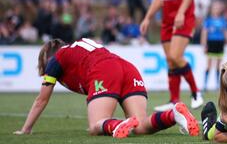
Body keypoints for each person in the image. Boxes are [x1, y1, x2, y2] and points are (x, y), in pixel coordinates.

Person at [13, 38, 199, 138]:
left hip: (104, 71)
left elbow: (41, 99)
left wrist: (26, 129)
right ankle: (173, 114)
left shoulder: (56, 59)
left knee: (96, 126)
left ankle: (117, 124)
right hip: (126, 67)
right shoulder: (75, 51)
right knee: (141, 126)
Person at [140, 0, 203, 111]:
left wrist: (182, 12)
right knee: (170, 61)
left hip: (183, 19)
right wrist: (147, 18)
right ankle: (174, 100)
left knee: (176, 56)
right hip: (167, 22)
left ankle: (196, 92)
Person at [201, 1, 227, 91]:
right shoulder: (208, 20)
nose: (216, 9)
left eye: (218, 7)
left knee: (219, 65)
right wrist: (204, 45)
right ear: (211, 9)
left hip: (220, 43)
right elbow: (204, 33)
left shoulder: (223, 20)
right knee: (209, 65)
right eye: (215, 7)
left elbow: (226, 32)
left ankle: (218, 86)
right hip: (211, 42)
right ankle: (205, 85)